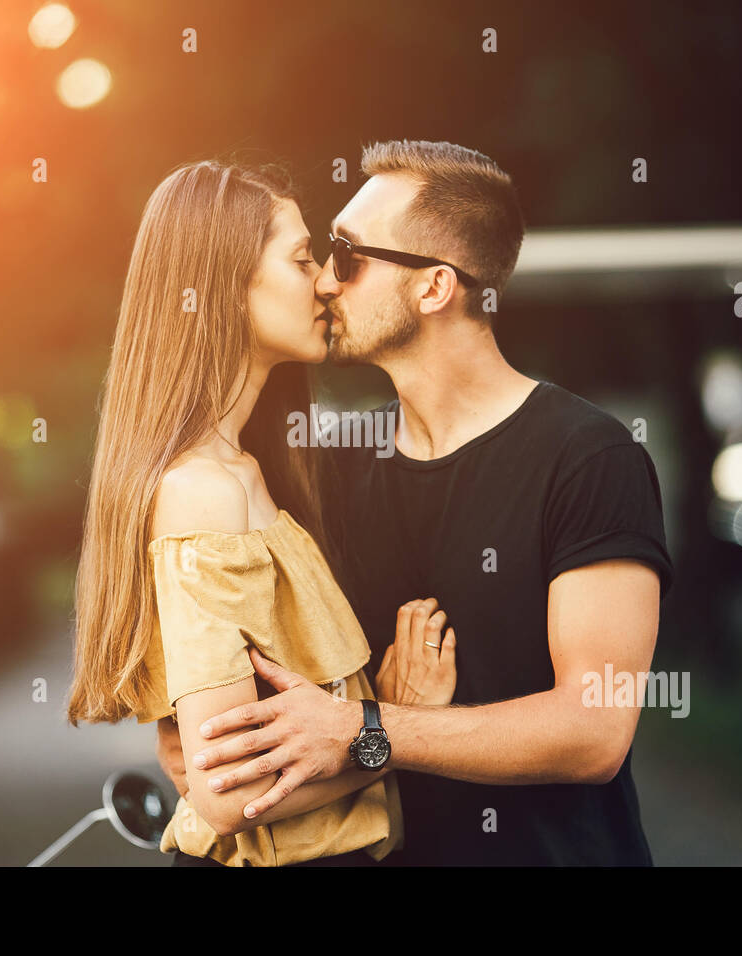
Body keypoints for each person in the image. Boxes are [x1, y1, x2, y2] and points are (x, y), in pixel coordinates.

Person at [167, 140, 675, 866]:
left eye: (347, 255)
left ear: (435, 287)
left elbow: (594, 730)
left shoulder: (590, 459)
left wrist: (370, 726)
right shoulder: (327, 473)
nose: (325, 283)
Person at [66, 159, 456, 867]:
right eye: (303, 258)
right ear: (224, 285)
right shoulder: (202, 491)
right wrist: (399, 732)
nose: (326, 281)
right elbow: (225, 795)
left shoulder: (249, 469)